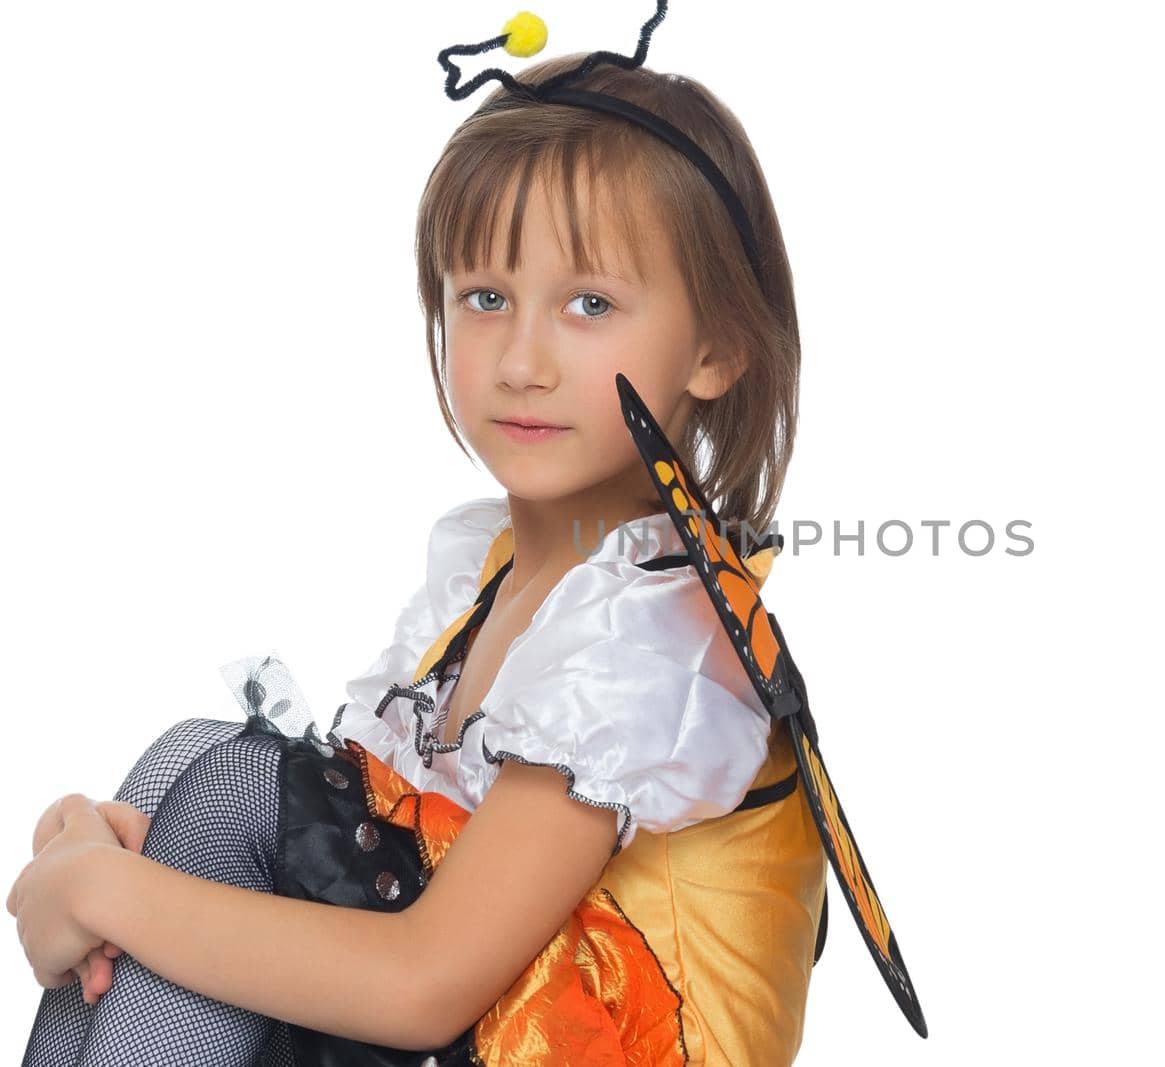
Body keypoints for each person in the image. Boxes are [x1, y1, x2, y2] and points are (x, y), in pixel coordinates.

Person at [10, 7, 828, 1064]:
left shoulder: (649, 639)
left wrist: (109, 891)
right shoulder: (498, 570)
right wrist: (113, 854)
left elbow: (421, 985)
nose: (520, 358)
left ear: (714, 348)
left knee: (228, 791)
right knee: (201, 765)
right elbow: (372, 818)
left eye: (589, 303)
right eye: (484, 296)